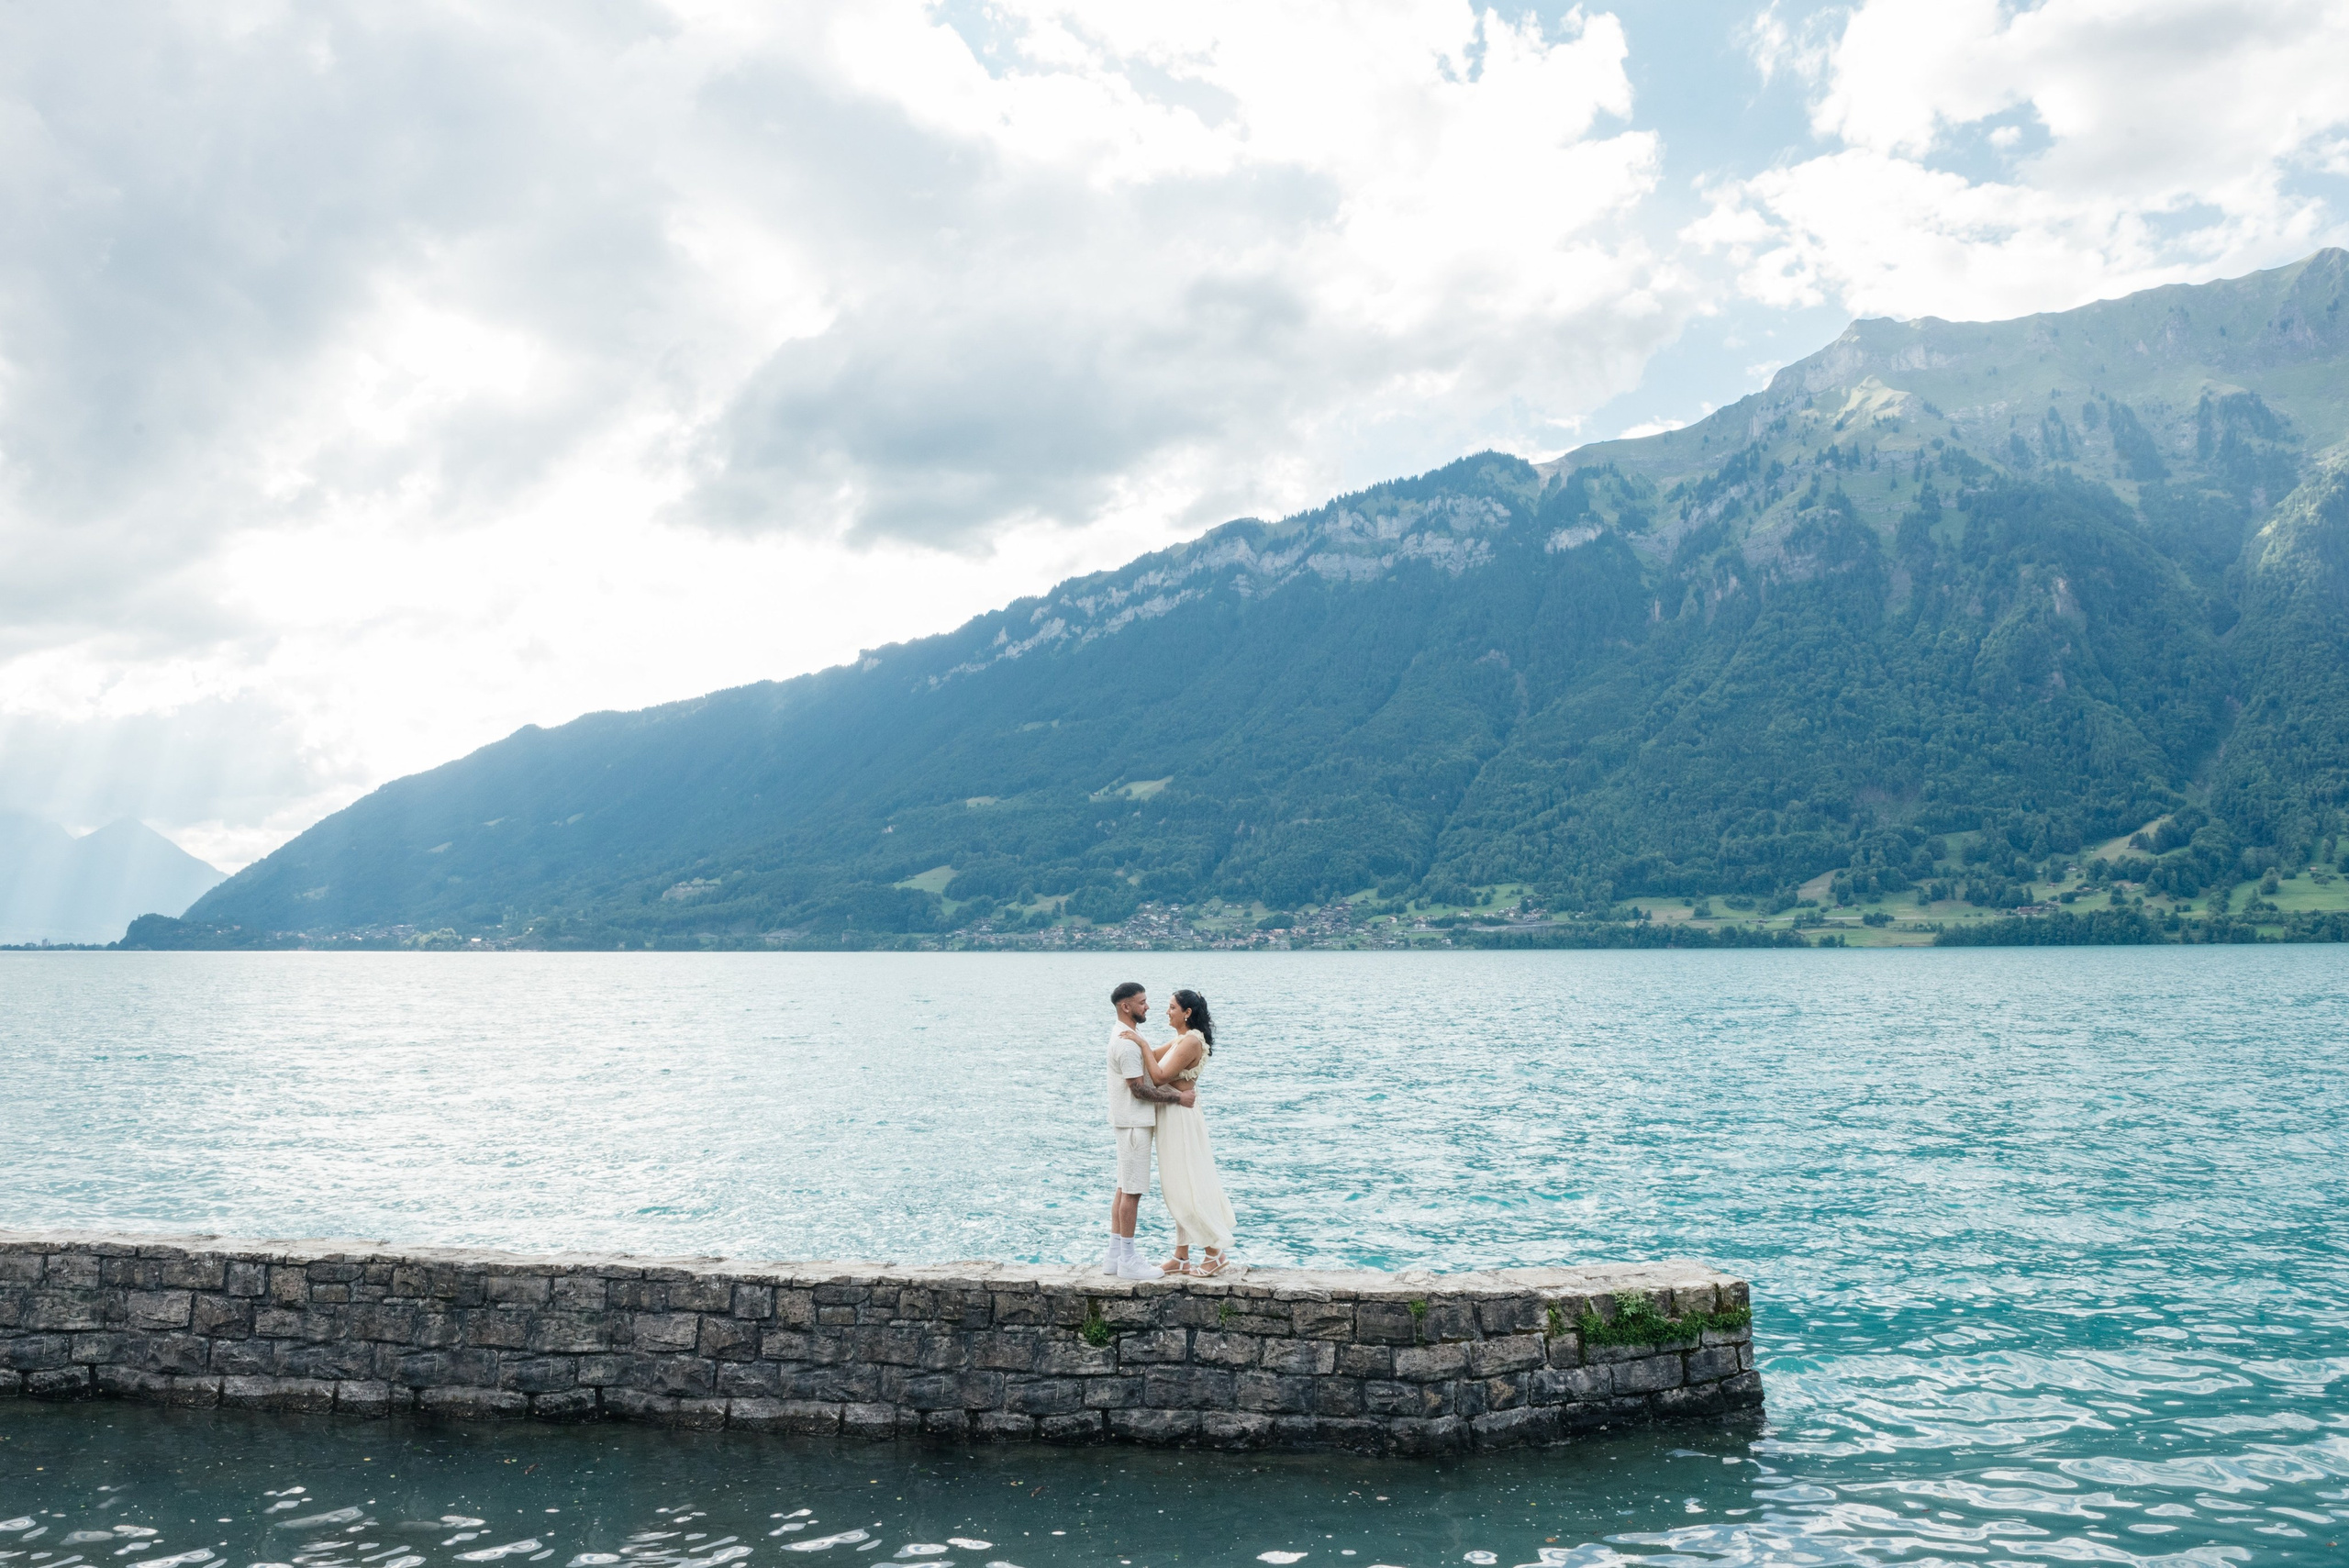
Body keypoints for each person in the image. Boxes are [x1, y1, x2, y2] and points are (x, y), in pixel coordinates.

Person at [1137, 987, 1237, 1276]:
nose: (1166, 1012)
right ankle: (1181, 1257)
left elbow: (1158, 1077)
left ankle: (1214, 1253)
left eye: (1171, 1008)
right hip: (1175, 1115)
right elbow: (1154, 1058)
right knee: (1176, 1185)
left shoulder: (1191, 1042)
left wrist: (1141, 1045)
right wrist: (1131, 1044)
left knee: (1188, 1184)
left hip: (1180, 1118)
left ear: (1187, 1013)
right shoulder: (1183, 1039)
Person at [1105, 981, 1191, 1280]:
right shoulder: (1127, 1042)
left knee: (1123, 1187)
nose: (1148, 1006)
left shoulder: (1129, 1035)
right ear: (1125, 1006)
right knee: (1132, 1192)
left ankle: (1115, 1256)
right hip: (1134, 1124)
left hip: (1128, 1122)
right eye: (1142, 1002)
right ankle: (1128, 1259)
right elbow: (1140, 1090)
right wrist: (1177, 1097)